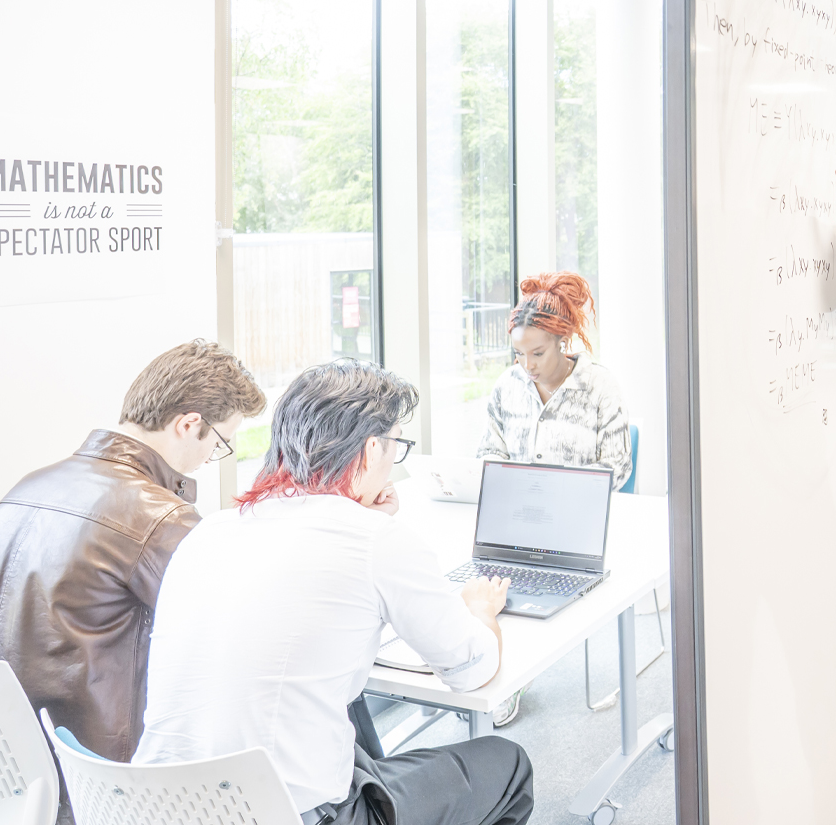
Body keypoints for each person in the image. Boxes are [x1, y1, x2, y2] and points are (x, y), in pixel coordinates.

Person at [134, 360, 531, 825]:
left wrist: (365, 523)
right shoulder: (374, 541)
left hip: (158, 809)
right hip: (289, 816)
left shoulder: (208, 533)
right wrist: (480, 611)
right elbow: (472, 671)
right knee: (507, 763)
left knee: (349, 735)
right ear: (371, 449)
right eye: (396, 445)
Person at [0, 338, 265, 823]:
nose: (211, 457)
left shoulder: (28, 485)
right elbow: (232, 637)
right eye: (220, 442)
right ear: (189, 424)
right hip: (86, 781)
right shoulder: (160, 518)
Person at [480, 271, 632, 490]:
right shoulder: (507, 385)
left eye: (538, 353)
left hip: (578, 505)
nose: (527, 365)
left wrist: (560, 491)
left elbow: (618, 465)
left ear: (563, 343)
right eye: (519, 353)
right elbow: (489, 452)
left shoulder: (600, 385)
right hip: (517, 503)